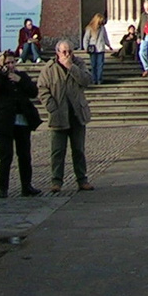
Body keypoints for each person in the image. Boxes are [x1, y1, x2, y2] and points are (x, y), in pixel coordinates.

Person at [0, 49, 41, 198]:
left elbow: (33, 91)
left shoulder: (21, 76)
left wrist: (19, 80)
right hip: (4, 121)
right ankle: (3, 188)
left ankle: (26, 186)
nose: (10, 65)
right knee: (5, 155)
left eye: (12, 62)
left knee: (24, 155)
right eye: (7, 63)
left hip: (21, 120)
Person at [37, 39, 94, 192]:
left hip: (77, 114)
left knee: (79, 150)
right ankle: (56, 181)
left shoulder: (79, 64)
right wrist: (51, 108)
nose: (67, 54)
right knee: (57, 151)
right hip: (59, 116)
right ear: (57, 53)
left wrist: (71, 67)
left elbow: (87, 80)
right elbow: (42, 89)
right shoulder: (49, 69)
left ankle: (82, 179)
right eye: (64, 52)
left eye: (70, 51)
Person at [83, 13, 112, 84]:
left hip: (100, 48)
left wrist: (109, 45)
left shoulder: (102, 28)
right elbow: (86, 39)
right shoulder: (90, 28)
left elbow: (105, 37)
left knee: (100, 65)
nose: (101, 22)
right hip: (93, 49)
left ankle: (99, 79)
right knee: (94, 65)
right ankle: (94, 79)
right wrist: (86, 47)